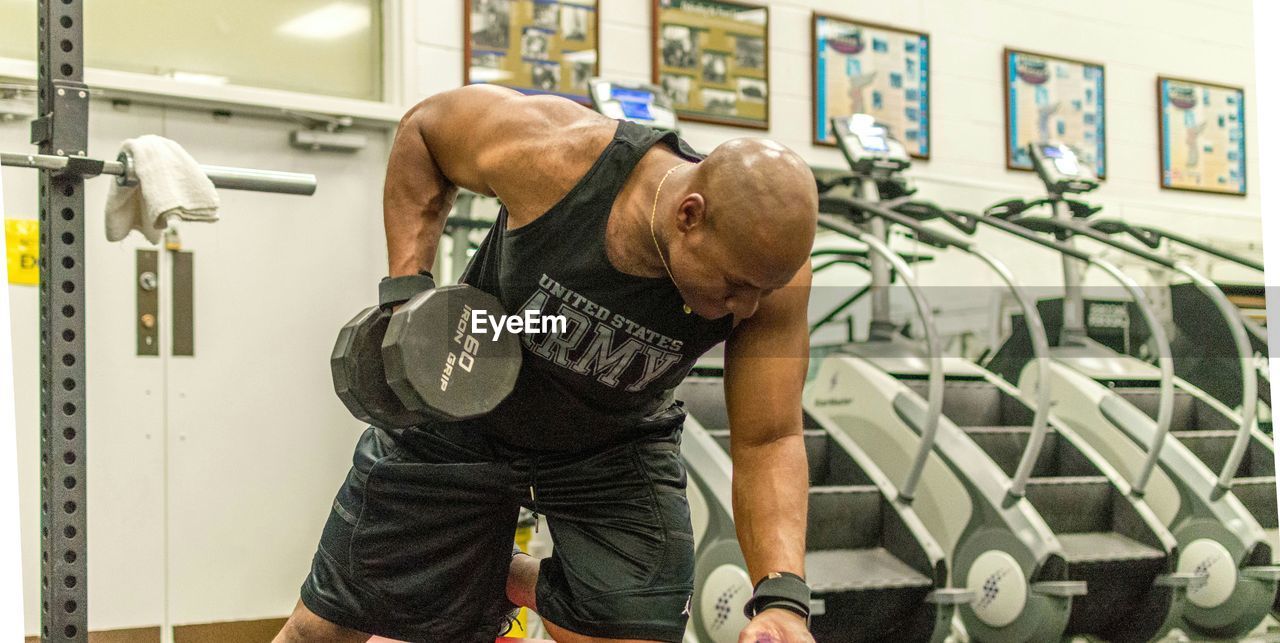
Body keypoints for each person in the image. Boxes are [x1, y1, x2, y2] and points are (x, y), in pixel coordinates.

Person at [274, 84, 818, 643]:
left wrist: (782, 599)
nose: (747, 308)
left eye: (761, 291)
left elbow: (769, 438)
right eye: (734, 287)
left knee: (635, 634)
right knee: (323, 627)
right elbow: (425, 131)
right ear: (689, 214)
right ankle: (464, 567)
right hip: (466, 408)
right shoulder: (559, 157)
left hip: (612, 438)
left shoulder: (770, 278)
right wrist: (407, 298)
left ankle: (496, 573)